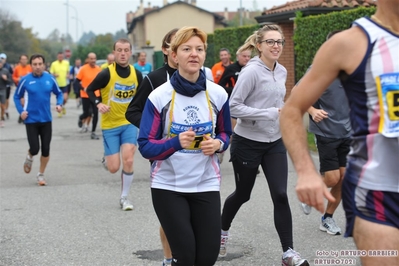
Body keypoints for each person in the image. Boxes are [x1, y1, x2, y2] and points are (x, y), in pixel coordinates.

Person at [280, 2, 399, 265]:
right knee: (334, 176)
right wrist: (306, 172)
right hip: (379, 192)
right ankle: (324, 211)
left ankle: (327, 214)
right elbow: (291, 109)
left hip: (346, 133)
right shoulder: (351, 43)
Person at [137, 26, 232, 266]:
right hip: (169, 186)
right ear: (174, 55)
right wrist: (175, 142)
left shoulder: (218, 94)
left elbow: (225, 132)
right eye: (187, 49)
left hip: (205, 183)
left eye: (199, 49)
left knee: (207, 258)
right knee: (186, 257)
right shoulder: (159, 97)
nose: (194, 54)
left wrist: (218, 144)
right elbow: (146, 146)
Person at [219, 25, 309, 266]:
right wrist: (267, 113)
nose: (276, 46)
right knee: (243, 194)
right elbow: (233, 107)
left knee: (280, 194)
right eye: (270, 42)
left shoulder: (282, 71)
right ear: (259, 46)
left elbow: (278, 102)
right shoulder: (250, 72)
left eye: (279, 41)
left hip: (274, 142)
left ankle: (288, 252)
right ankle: (221, 231)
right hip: (247, 142)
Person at [126, 28, 178, 266]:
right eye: (176, 46)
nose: (183, 52)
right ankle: (168, 259)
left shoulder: (201, 77)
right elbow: (132, 111)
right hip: (163, 153)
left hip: (194, 154)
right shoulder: (154, 78)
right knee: (171, 215)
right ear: (166, 50)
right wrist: (154, 132)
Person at [297, 31, 352, 237]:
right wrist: (312, 110)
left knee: (343, 178)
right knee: (331, 178)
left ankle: (327, 219)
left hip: (348, 131)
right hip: (326, 131)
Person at [87, 38, 143, 211]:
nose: (123, 53)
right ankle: (107, 158)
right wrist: (98, 103)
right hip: (110, 125)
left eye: (126, 50)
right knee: (113, 168)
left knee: (128, 158)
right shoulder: (106, 73)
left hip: (128, 123)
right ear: (114, 52)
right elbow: (89, 89)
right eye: (119, 50)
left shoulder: (136, 74)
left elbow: (142, 96)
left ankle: (124, 197)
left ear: (130, 52)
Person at [13, 54, 63, 186]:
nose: (38, 67)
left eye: (40, 64)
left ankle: (41, 174)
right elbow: (16, 96)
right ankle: (30, 156)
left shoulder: (50, 78)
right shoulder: (26, 80)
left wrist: (59, 104)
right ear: (31, 66)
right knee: (35, 148)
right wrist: (21, 111)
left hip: (46, 119)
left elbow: (59, 93)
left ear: (44, 65)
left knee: (46, 149)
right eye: (35, 64)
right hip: (31, 120)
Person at [75, 53, 101, 139]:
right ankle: (81, 117)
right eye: (91, 59)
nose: (93, 60)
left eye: (94, 59)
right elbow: (76, 82)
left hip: (96, 95)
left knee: (95, 113)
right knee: (86, 113)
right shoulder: (83, 69)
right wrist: (83, 88)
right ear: (88, 59)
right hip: (85, 95)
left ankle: (93, 132)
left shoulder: (98, 69)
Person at [12, 54, 32, 124]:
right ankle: (23, 115)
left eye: (25, 59)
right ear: (20, 60)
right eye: (22, 59)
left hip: (29, 88)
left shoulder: (30, 67)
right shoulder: (17, 68)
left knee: (27, 102)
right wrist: (17, 79)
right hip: (20, 88)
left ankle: (22, 116)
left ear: (27, 60)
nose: (24, 61)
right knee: (22, 102)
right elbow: (13, 77)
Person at [49, 52, 70, 117]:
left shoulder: (66, 63)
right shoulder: (54, 64)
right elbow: (51, 73)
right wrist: (55, 75)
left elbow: (68, 71)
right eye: (59, 57)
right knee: (59, 97)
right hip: (57, 84)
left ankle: (62, 106)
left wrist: (67, 75)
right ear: (57, 57)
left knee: (65, 98)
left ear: (63, 57)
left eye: (61, 56)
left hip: (64, 83)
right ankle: (59, 110)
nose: (60, 58)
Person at [0, 53, 14, 121]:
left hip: (3, 88)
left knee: (4, 103)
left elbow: (10, 79)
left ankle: (3, 113)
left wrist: (6, 79)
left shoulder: (6, 69)